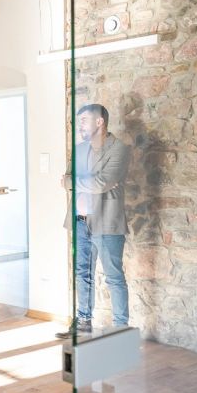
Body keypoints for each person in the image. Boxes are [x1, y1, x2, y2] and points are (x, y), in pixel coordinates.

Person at [61, 103, 131, 334]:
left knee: (114, 277)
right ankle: (83, 322)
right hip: (80, 221)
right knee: (82, 273)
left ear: (99, 122)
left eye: (84, 120)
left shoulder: (119, 149)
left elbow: (102, 183)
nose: (79, 125)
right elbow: (67, 179)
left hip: (106, 222)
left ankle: (120, 328)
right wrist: (89, 183)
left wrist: (82, 183)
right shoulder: (79, 150)